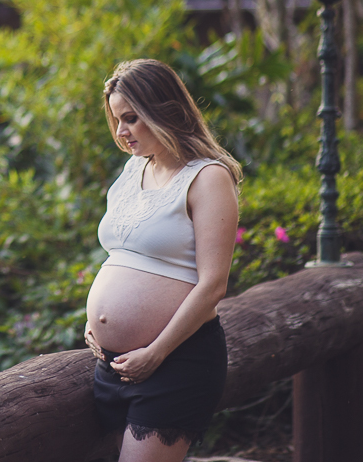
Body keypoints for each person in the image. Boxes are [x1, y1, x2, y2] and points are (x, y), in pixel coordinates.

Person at [85, 59, 241, 462]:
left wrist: (156, 352)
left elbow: (213, 285)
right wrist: (95, 324)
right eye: (117, 120)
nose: (121, 132)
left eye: (132, 119)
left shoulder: (208, 177)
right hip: (114, 367)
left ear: (164, 110)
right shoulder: (133, 168)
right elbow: (120, 254)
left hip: (175, 363)